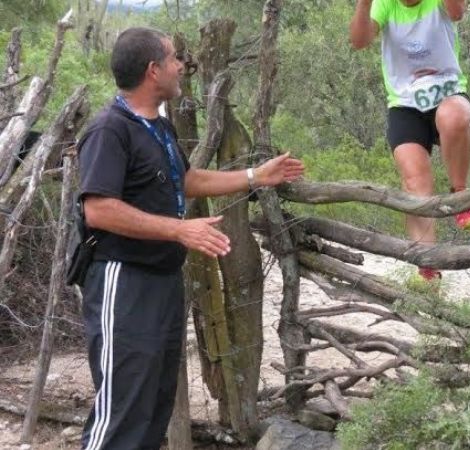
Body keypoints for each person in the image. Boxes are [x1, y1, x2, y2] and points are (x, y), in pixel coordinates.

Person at [77, 27, 304, 449]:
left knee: (152, 406)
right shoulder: (109, 130)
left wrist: (256, 176)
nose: (181, 65)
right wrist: (179, 229)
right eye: (173, 58)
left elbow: (186, 180)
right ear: (153, 70)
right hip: (123, 283)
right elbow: (98, 209)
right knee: (122, 411)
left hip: (161, 282)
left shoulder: (156, 127)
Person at [350, 0, 470, 281]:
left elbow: (457, 13)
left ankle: (461, 194)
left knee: (454, 117)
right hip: (405, 104)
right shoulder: (385, 5)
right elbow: (359, 41)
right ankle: (427, 266)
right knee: (415, 183)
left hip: (449, 93)